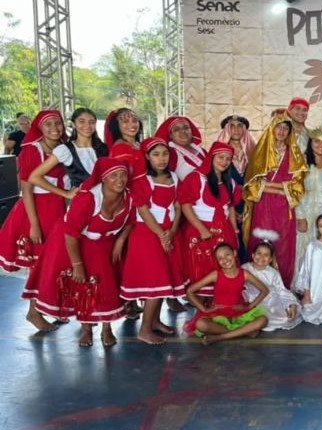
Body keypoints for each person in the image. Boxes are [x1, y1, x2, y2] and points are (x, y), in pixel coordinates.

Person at [25, 158, 133, 347]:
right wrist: (77, 265)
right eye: (113, 175)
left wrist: (121, 240)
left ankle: (107, 329)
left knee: (108, 285)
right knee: (83, 287)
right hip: (75, 242)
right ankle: (86, 329)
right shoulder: (87, 199)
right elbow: (70, 235)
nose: (120, 180)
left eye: (123, 174)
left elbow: (131, 220)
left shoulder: (129, 197)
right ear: (103, 179)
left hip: (106, 243)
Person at [120, 137, 188, 345]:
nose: (161, 159)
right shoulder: (141, 180)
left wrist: (172, 231)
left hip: (169, 232)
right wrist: (161, 234)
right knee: (155, 282)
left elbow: (178, 206)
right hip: (147, 235)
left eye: (165, 154)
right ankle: (145, 330)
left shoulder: (174, 177)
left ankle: (155, 321)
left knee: (163, 281)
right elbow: (143, 211)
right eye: (156, 154)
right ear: (147, 157)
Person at [0, 111, 68, 282]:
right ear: (39, 127)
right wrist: (34, 225)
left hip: (58, 207)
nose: (54, 128)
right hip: (37, 209)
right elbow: (26, 190)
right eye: (48, 124)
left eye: (58, 123)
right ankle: (34, 299)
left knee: (54, 259)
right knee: (38, 261)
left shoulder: (65, 147)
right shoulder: (32, 149)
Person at [243, 114, 308, 288]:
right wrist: (280, 188)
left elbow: (297, 187)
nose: (282, 131)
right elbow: (252, 184)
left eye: (286, 128)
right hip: (262, 205)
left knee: (283, 244)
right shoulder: (260, 152)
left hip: (285, 207)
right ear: (272, 128)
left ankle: (282, 286)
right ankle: (256, 286)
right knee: (259, 241)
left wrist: (268, 185)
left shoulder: (295, 154)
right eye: (278, 127)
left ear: (290, 132)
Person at [178, 141, 240, 295]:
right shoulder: (196, 178)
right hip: (201, 230)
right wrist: (202, 229)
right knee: (202, 269)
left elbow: (230, 208)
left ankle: (219, 304)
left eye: (228, 159)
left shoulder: (230, 183)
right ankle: (201, 305)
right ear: (211, 157)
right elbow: (185, 206)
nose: (224, 162)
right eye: (220, 157)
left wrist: (234, 232)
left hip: (224, 230)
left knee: (223, 268)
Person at [183, 243, 269, 345]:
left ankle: (221, 337)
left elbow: (265, 290)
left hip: (238, 311)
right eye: (220, 258)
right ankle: (244, 332)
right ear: (217, 261)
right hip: (218, 312)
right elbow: (189, 291)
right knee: (201, 324)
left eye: (227, 255)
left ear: (234, 253)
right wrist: (204, 309)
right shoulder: (216, 275)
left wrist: (250, 306)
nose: (225, 260)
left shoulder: (244, 274)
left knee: (263, 320)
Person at [28, 108, 108, 197]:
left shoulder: (103, 148)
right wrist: (65, 193)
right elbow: (34, 177)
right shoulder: (65, 150)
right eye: (81, 121)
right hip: (82, 201)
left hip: (105, 200)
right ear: (74, 124)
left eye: (91, 122)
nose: (87, 125)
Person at [295, 127, 322, 278]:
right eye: (316, 141)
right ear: (310, 143)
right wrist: (300, 216)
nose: (320, 145)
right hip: (306, 210)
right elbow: (296, 190)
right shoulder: (302, 162)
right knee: (304, 247)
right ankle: (303, 283)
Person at [243, 233, 303, 331]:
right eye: (259, 253)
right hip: (251, 299)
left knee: (284, 317)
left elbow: (281, 290)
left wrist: (291, 303)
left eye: (266, 255)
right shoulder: (245, 268)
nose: (262, 257)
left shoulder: (273, 273)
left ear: (270, 259)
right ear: (253, 255)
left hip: (270, 300)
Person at [216, 114, 255, 263]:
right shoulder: (219, 153)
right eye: (232, 126)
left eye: (240, 126)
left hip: (250, 202)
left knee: (250, 236)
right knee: (232, 237)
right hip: (227, 203)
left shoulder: (253, 151)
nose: (236, 130)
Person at [154, 116, 206, 181]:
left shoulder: (202, 151)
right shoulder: (171, 154)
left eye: (186, 128)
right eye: (177, 129)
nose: (183, 131)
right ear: (170, 135)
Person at [104, 108, 146, 179]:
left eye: (134, 121)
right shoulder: (119, 148)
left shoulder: (138, 144)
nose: (132, 124)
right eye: (125, 121)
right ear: (117, 125)